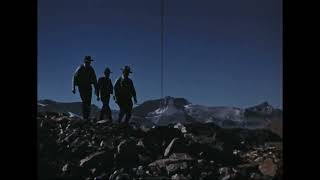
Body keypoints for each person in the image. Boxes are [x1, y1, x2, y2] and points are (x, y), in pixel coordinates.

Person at [72, 55, 98, 120]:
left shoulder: (91, 69)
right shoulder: (80, 68)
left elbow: (95, 80)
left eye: (89, 62)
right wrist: (73, 88)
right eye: (87, 62)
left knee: (88, 102)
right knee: (84, 101)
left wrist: (96, 90)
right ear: (84, 62)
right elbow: (74, 77)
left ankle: (87, 117)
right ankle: (84, 117)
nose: (88, 63)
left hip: (89, 87)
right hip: (81, 87)